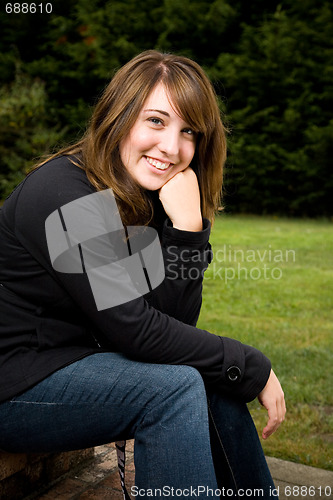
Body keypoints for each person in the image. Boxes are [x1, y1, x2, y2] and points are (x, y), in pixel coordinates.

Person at [0, 50, 286, 499]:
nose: (172, 147)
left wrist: (187, 229)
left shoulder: (137, 194)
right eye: (156, 121)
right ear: (119, 114)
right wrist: (250, 366)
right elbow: (139, 332)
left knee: (207, 376)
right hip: (15, 383)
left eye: (188, 131)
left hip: (71, 363)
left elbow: (171, 324)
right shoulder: (66, 193)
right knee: (172, 390)